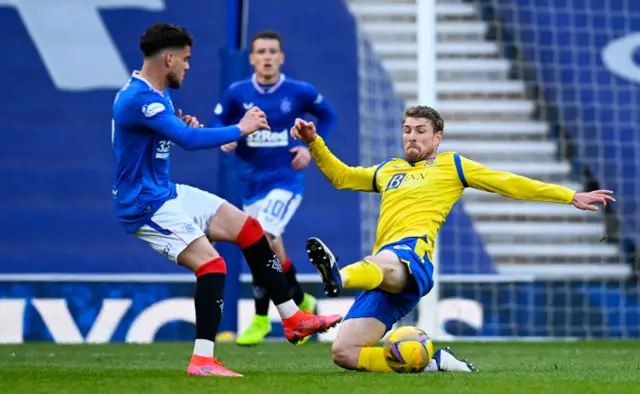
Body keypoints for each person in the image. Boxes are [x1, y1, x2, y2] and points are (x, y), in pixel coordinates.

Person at [290, 105, 615, 373]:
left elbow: (509, 182)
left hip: (411, 256)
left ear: (437, 137)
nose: (411, 136)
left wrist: (569, 195)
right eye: (407, 130)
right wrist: (314, 142)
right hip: (384, 276)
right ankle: (435, 364)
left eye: (420, 130)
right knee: (345, 353)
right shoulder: (389, 170)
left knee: (383, 260)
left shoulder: (452, 165)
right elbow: (343, 177)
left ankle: (339, 276)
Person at [111, 22, 342, 377]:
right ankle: (202, 360)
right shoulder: (138, 98)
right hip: (144, 205)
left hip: (166, 192)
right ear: (168, 58)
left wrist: (180, 125)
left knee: (250, 229)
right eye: (185, 60)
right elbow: (187, 140)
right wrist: (240, 127)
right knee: (213, 265)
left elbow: (166, 135)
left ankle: (293, 319)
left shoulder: (156, 94)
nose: (188, 66)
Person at [211, 30, 338, 346]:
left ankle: (261, 319)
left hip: (285, 183)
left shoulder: (298, 92)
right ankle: (299, 300)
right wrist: (226, 137)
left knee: (260, 241)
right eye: (260, 52)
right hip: (252, 185)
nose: (266, 57)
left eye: (272, 51)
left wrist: (311, 146)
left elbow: (328, 115)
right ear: (251, 58)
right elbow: (218, 123)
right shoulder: (237, 93)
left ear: (281, 57)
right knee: (272, 253)